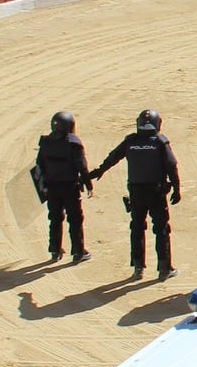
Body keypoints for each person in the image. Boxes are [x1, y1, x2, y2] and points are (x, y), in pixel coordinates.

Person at [93, 109, 182, 281]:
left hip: (136, 192)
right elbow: (172, 166)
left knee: (137, 228)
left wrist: (100, 170)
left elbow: (113, 157)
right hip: (156, 193)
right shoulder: (160, 142)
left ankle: (138, 268)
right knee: (161, 229)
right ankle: (164, 268)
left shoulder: (131, 141)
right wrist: (177, 189)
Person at [33, 111, 93, 263]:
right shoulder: (74, 143)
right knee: (75, 220)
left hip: (52, 188)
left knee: (55, 219)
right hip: (70, 187)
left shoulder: (45, 143)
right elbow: (82, 167)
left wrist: (43, 185)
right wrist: (88, 184)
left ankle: (54, 250)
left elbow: (39, 165)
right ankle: (78, 252)